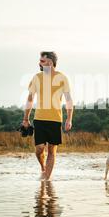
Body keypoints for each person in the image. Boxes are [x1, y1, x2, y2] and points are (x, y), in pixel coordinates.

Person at [23, 51, 73, 180]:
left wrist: (69, 119)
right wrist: (25, 119)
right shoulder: (37, 77)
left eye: (42, 61)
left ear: (50, 62)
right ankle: (43, 168)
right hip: (39, 118)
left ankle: (46, 179)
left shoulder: (62, 78)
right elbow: (30, 99)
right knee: (39, 149)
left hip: (55, 119)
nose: (39, 63)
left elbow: (68, 100)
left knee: (52, 151)